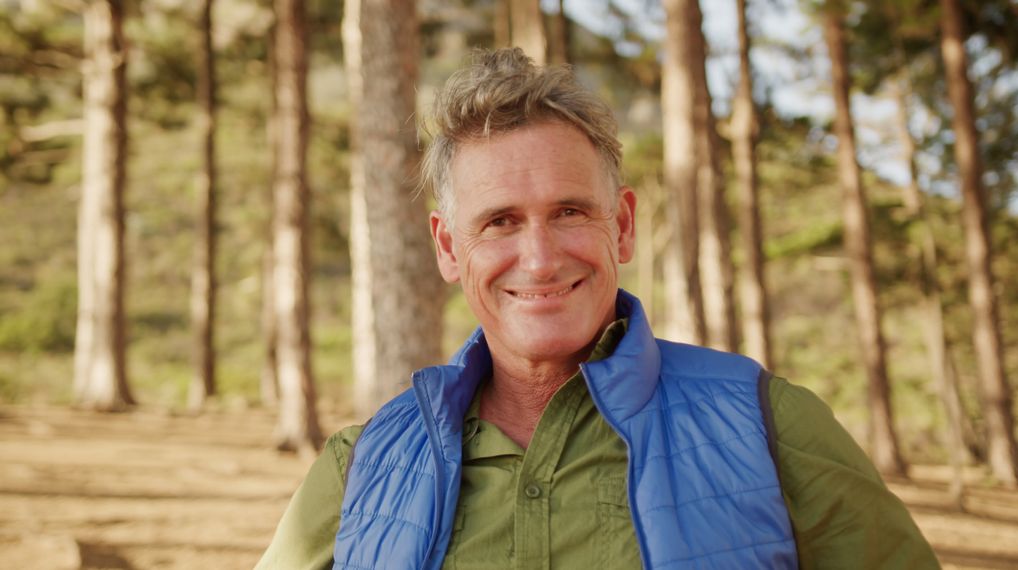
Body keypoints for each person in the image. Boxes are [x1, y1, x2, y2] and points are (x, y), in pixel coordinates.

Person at [256, 47, 938, 570]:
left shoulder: (768, 423)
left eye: (571, 212)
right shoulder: (359, 465)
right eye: (499, 222)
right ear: (446, 246)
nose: (541, 256)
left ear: (624, 225)